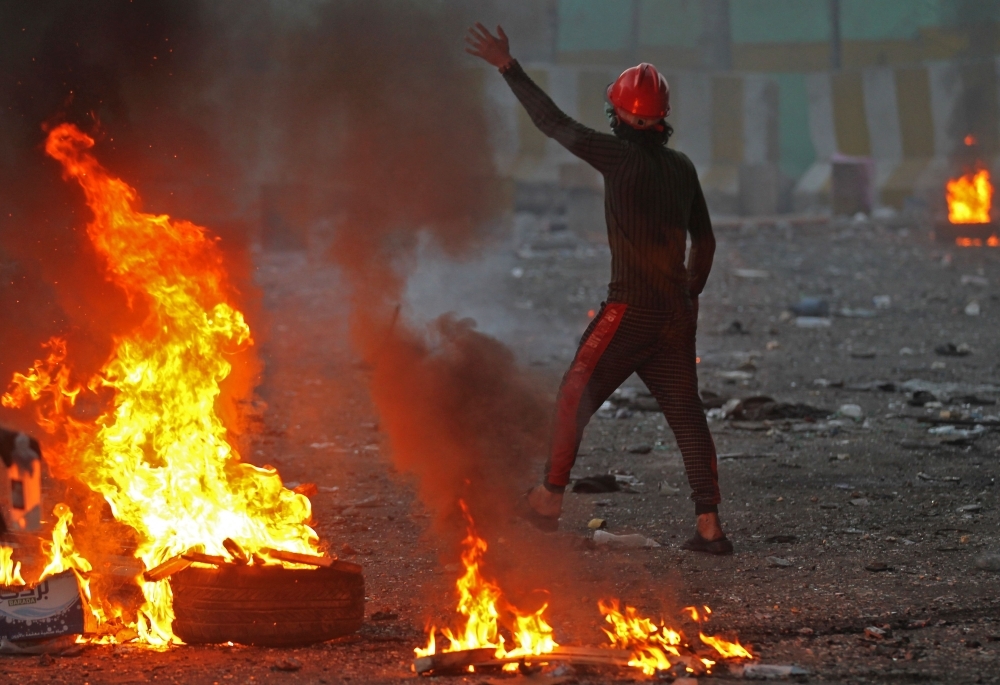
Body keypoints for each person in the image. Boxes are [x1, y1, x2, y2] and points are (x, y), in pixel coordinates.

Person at [466, 24, 730, 555]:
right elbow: (705, 240)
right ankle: (710, 528)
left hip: (630, 309)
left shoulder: (618, 157)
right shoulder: (682, 168)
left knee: (573, 396)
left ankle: (547, 501)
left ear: (622, 116)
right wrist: (689, 293)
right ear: (661, 119)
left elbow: (552, 122)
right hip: (675, 314)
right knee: (687, 415)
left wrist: (507, 67)